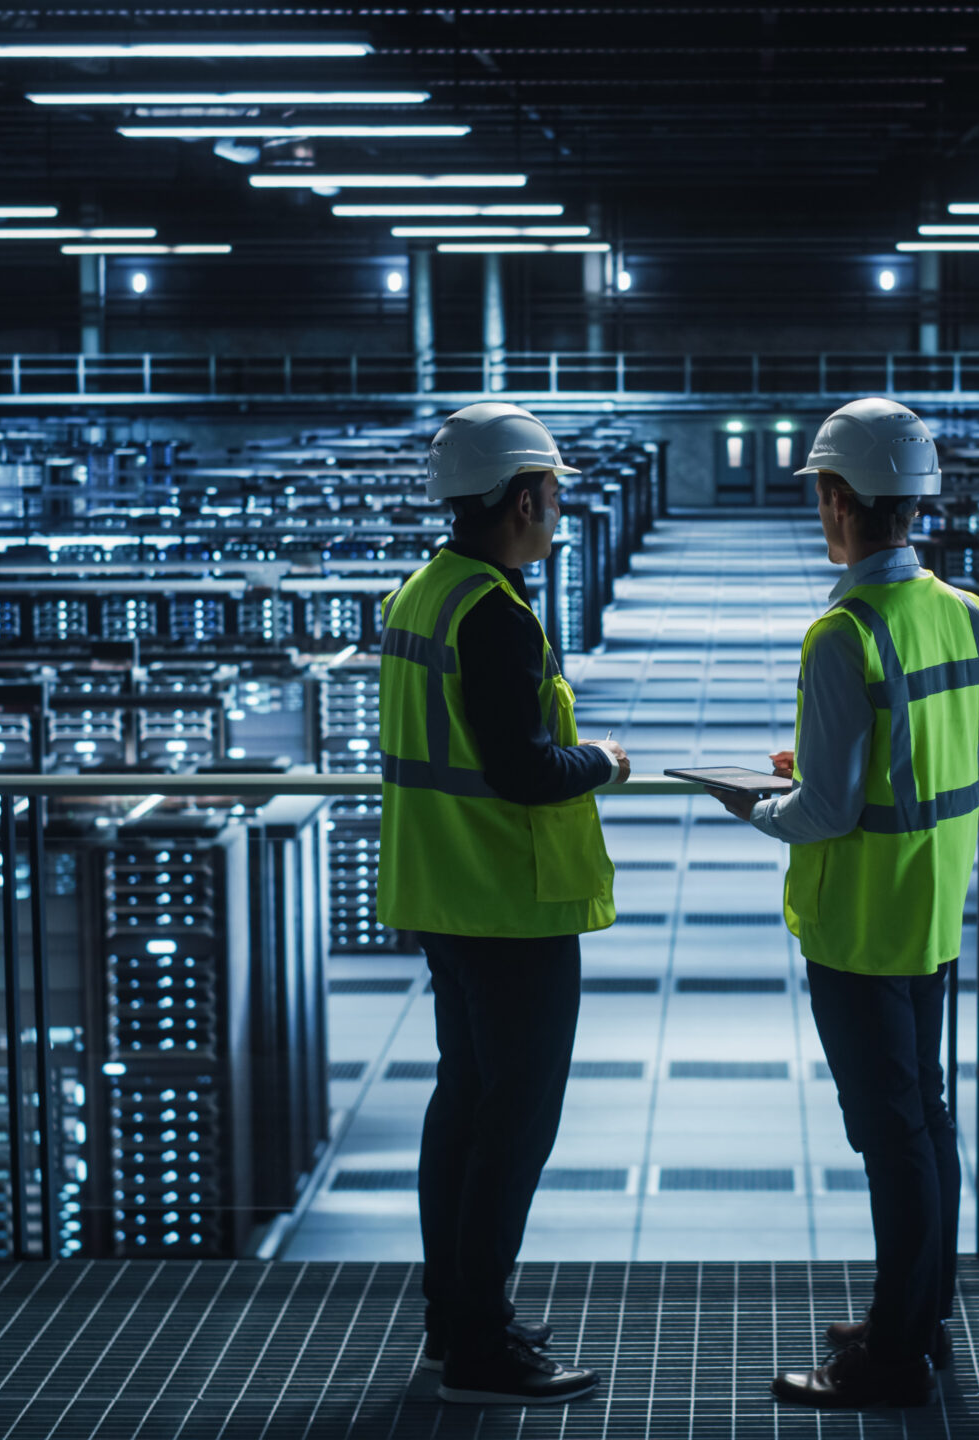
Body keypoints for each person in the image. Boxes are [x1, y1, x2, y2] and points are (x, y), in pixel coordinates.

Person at [716, 397, 979, 1409]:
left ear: (835, 500)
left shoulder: (841, 632)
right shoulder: (963, 611)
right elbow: (954, 764)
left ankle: (889, 1365)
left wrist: (756, 801)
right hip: (934, 905)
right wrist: (831, 771)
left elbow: (825, 815)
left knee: (890, 1139)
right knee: (926, 1120)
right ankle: (915, 1316)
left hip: (858, 919)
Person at [377, 401, 630, 1406]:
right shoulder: (493, 612)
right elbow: (524, 770)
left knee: (464, 1113)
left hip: (443, 893)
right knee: (511, 1128)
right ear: (525, 497)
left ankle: (458, 1321)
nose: (561, 505)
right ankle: (481, 1346)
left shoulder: (423, 593)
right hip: (508, 903)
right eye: (555, 490)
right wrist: (602, 761)